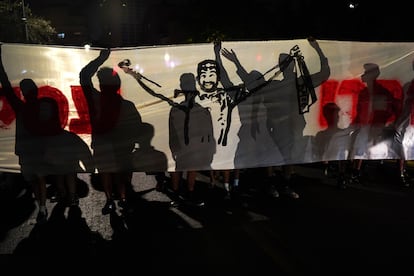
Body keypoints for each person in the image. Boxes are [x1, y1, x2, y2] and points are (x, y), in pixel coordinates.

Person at [221, 38, 331, 198]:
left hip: (293, 127)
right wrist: (236, 63)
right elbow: (252, 83)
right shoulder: (275, 85)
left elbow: (324, 73)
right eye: (283, 64)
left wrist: (317, 48)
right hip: (274, 127)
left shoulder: (301, 82)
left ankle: (285, 185)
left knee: (289, 157)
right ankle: (271, 185)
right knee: (272, 156)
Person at [120, 65, 215, 206]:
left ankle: (179, 195)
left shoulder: (181, 109)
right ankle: (186, 193)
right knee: (187, 169)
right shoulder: (198, 110)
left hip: (185, 146)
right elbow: (207, 133)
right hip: (191, 146)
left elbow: (155, 94)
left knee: (179, 168)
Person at [80, 48, 142, 215]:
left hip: (103, 143)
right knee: (121, 174)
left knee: (106, 172)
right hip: (122, 146)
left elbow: (84, 76)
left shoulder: (95, 99)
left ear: (100, 83)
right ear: (118, 85)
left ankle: (109, 201)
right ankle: (122, 199)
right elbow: (137, 126)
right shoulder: (127, 105)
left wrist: (101, 59)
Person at [0, 44, 51, 224]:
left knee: (32, 179)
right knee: (40, 177)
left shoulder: (20, 107)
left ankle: (41, 205)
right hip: (39, 149)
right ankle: (43, 207)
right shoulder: (44, 106)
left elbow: (6, 85)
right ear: (35, 91)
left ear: (22, 92)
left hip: (25, 150)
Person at [349, 63, 402, 185]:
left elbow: (392, 109)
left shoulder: (383, 92)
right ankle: (356, 171)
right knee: (359, 147)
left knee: (366, 148)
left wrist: (385, 122)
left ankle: (360, 171)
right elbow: (358, 111)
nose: (362, 75)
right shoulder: (363, 93)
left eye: (366, 73)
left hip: (376, 128)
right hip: (364, 127)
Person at [313, 102, 354, 189]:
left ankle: (340, 175)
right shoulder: (322, 134)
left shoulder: (343, 134)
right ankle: (327, 169)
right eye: (332, 113)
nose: (336, 116)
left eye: (336, 113)